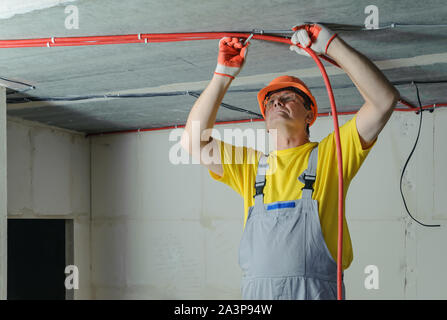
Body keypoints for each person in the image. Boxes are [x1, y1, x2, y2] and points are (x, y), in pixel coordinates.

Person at [181, 23, 399, 300]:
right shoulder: (252, 167)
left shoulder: (330, 155)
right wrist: (222, 76)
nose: (276, 103)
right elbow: (192, 142)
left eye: (287, 98)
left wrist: (331, 46)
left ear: (310, 114)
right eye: (270, 102)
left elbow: (383, 100)